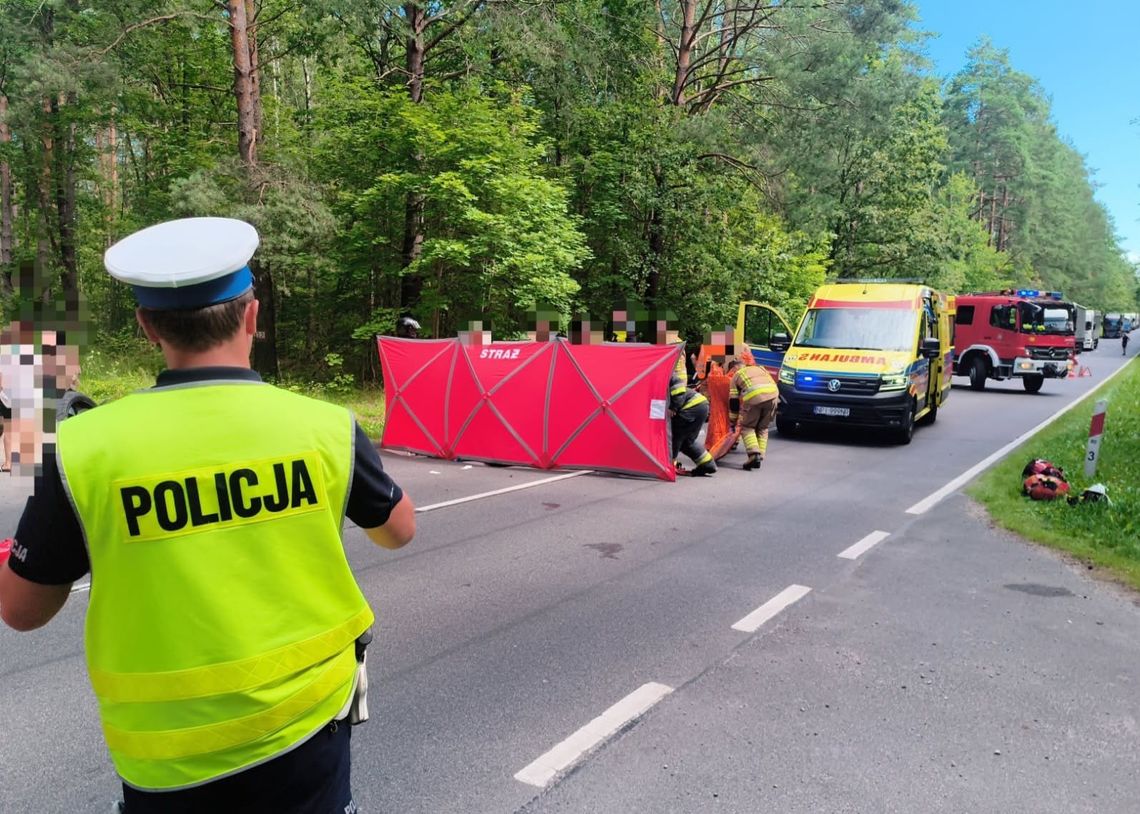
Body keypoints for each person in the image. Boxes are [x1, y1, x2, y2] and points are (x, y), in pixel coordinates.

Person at [0, 217, 416, 813]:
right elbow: (398, 532)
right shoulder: (326, 426)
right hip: (308, 728)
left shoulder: (80, 449)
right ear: (252, 315)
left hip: (168, 764)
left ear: (147, 327)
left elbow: (21, 611)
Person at [725, 354, 779, 470]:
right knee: (763, 427)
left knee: (747, 427)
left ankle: (754, 454)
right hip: (773, 396)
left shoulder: (736, 375)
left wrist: (733, 420)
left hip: (755, 397)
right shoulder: (760, 368)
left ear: (734, 367)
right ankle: (761, 455)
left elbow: (734, 402)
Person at [669, 368, 716, 477]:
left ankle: (670, 464)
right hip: (701, 405)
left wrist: (674, 408)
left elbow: (678, 387)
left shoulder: (667, 374)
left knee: (676, 435)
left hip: (692, 406)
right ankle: (708, 465)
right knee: (688, 441)